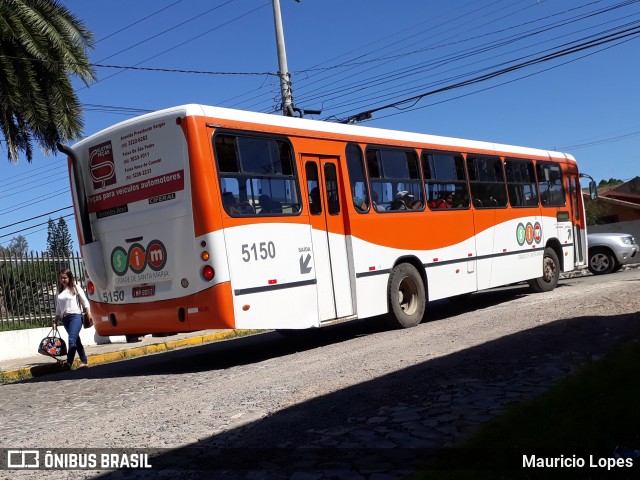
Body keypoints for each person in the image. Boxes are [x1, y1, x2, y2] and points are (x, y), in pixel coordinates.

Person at [53, 269, 92, 370]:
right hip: (65, 319)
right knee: (76, 340)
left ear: (69, 277)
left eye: (65, 277)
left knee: (71, 339)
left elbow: (84, 301)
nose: (63, 280)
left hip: (75, 316)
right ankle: (84, 361)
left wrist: (88, 312)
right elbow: (58, 307)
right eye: (61, 278)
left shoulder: (75, 288)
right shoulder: (60, 291)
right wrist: (55, 321)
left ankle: (69, 362)